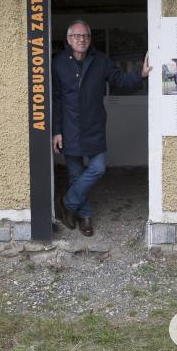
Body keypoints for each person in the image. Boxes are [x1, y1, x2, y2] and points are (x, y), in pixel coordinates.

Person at [51, 20, 151, 236]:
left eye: (85, 36)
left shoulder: (100, 60)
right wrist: (56, 131)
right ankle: (85, 216)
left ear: (90, 38)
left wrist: (140, 75)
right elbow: (56, 99)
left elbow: (119, 80)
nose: (81, 39)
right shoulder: (58, 63)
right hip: (69, 128)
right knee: (76, 176)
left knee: (98, 168)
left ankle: (67, 202)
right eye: (77, 36)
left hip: (94, 126)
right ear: (69, 39)